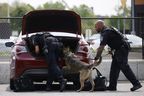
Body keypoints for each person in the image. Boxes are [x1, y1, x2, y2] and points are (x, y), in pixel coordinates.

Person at [94, 20, 142, 91]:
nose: (95, 28)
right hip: (119, 49)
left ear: (100, 26)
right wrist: (112, 50)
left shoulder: (106, 32)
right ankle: (112, 86)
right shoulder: (109, 30)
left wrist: (97, 57)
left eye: (96, 27)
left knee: (124, 67)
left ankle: (136, 83)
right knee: (114, 69)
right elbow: (114, 41)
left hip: (121, 50)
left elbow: (101, 47)